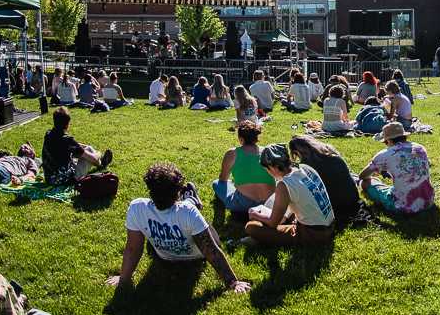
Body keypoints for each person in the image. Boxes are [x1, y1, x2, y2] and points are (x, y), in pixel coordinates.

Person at [108, 163, 250, 293]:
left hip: (165, 256)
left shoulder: (137, 207)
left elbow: (133, 248)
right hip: (196, 255)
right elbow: (211, 250)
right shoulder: (188, 212)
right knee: (194, 213)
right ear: (177, 190)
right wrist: (233, 282)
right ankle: (191, 199)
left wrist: (124, 278)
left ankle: (190, 198)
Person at [245, 144, 335, 246]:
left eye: (267, 170)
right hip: (329, 226)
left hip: (314, 234)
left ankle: (261, 238)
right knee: (283, 214)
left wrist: (255, 214)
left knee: (252, 227)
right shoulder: (305, 168)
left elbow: (273, 223)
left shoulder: (284, 185)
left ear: (272, 167)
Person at [358, 122, 435, 213]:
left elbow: (362, 176)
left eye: (385, 142)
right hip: (428, 201)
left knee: (365, 183)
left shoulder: (385, 154)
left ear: (389, 140)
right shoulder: (420, 148)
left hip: (403, 205)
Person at [289, 135, 361, 225]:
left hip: (333, 207)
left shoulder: (306, 167)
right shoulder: (332, 153)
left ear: (297, 152)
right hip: (352, 199)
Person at [213, 121, 276, 214]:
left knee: (217, 183)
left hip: (242, 204)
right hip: (269, 203)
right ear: (256, 137)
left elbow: (223, 179)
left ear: (241, 139)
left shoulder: (232, 153)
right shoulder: (268, 152)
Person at [41, 107, 113, 185]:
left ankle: (101, 162)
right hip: (65, 180)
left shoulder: (48, 134)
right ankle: (102, 163)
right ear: (67, 124)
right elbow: (93, 158)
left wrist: (80, 146)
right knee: (90, 152)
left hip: (49, 177)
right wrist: (98, 153)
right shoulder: (67, 140)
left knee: (83, 152)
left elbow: (70, 145)